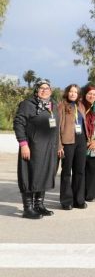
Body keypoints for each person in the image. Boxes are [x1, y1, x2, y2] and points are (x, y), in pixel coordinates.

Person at [14, 79, 59, 219]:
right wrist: (23, 144)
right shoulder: (27, 104)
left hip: (49, 148)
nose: (44, 91)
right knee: (29, 175)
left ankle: (39, 205)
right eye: (41, 88)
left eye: (47, 88)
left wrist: (58, 145)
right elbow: (18, 124)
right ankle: (28, 209)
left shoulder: (53, 105)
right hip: (32, 147)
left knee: (44, 174)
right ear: (36, 90)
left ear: (51, 91)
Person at [57, 84, 87, 210]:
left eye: (75, 92)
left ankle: (78, 200)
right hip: (67, 141)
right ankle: (66, 201)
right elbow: (57, 127)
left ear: (78, 94)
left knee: (79, 171)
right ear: (67, 93)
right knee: (66, 172)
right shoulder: (61, 106)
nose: (73, 94)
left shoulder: (81, 106)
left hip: (81, 141)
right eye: (71, 91)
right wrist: (59, 145)